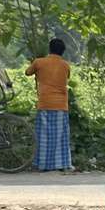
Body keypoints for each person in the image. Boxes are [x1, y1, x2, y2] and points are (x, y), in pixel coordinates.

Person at [25, 38, 72, 171]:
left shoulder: (39, 62)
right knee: (60, 137)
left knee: (43, 136)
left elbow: (27, 72)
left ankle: (42, 164)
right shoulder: (65, 65)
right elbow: (67, 77)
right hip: (61, 105)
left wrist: (34, 64)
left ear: (49, 48)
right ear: (63, 51)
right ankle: (61, 164)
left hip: (45, 103)